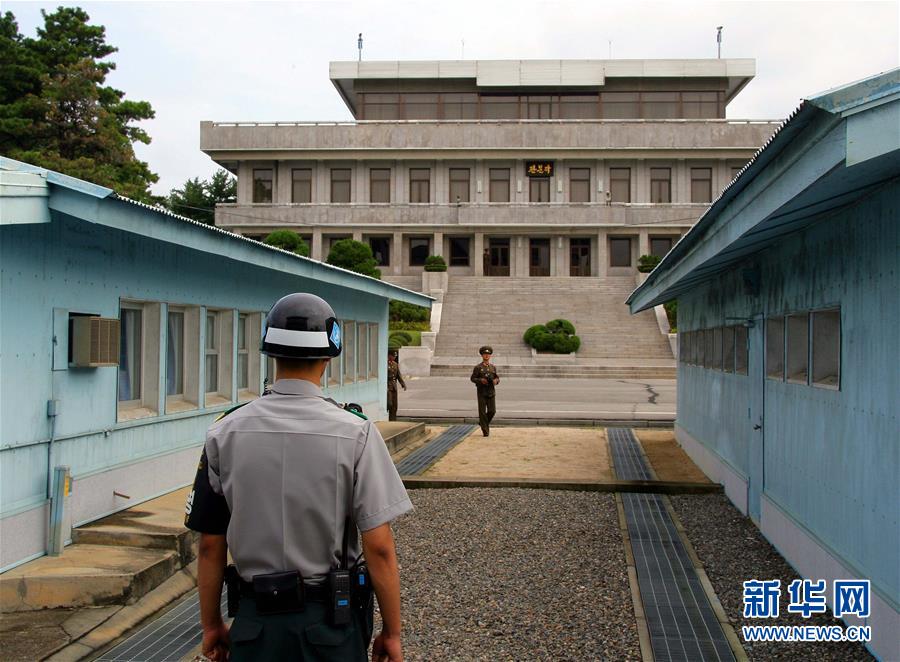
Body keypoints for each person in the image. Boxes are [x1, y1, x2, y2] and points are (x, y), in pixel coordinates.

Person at [185, 293, 411, 662]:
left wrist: (211, 625)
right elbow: (380, 546)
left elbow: (211, 544)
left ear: (271, 353)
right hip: (330, 624)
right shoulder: (356, 433)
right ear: (328, 358)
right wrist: (392, 632)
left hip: (254, 622)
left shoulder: (224, 432)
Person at [470, 346, 500, 436]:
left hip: (491, 391)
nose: (486, 356)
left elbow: (497, 377)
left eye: (488, 354)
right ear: (482, 355)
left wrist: (496, 381)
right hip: (481, 391)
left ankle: (482, 423)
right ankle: (485, 431)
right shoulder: (478, 367)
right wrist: (480, 380)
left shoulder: (493, 367)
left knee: (492, 411)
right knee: (482, 412)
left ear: (490, 356)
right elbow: (472, 378)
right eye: (485, 354)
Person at [386, 350, 406, 421]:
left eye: (395, 356)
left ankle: (393, 420)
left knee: (395, 406)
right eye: (393, 356)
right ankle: (387, 418)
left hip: (394, 387)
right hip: (388, 386)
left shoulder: (395, 364)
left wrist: (402, 383)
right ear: (389, 356)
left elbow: (398, 375)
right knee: (389, 404)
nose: (394, 357)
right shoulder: (385, 364)